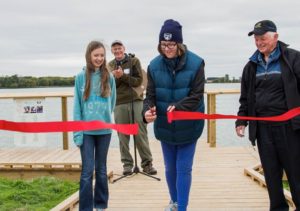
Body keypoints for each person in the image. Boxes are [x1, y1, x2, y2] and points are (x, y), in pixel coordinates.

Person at [235, 20, 300, 211]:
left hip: (290, 128)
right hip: (263, 129)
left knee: (296, 175)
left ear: (276, 37)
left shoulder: (293, 59)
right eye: (256, 39)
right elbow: (245, 98)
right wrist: (241, 119)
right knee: (271, 176)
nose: (259, 42)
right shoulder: (251, 66)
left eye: (262, 38)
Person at [143, 19, 205, 211]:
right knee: (170, 168)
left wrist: (178, 107)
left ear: (179, 43)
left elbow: (196, 96)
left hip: (188, 125)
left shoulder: (196, 63)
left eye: (171, 44)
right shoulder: (153, 65)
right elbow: (150, 96)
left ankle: (182, 207)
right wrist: (147, 110)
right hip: (165, 126)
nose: (167, 48)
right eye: (163, 44)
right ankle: (174, 202)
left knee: (183, 168)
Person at [73, 41, 116, 211]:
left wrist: (105, 118)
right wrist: (77, 133)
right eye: (96, 55)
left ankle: (101, 204)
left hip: (104, 131)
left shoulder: (109, 77)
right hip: (86, 132)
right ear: (89, 56)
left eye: (102, 55)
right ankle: (86, 208)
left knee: (102, 169)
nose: (99, 58)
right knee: (87, 171)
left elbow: (112, 102)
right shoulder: (80, 77)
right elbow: (77, 107)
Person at [108, 40, 157, 175]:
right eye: (115, 49)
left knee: (140, 132)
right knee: (122, 135)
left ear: (124, 48)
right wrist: (117, 77)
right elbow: (110, 86)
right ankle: (127, 165)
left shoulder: (134, 61)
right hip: (119, 103)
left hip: (136, 100)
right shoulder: (110, 65)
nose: (117, 51)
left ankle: (147, 164)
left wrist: (122, 75)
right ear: (112, 51)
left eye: (119, 48)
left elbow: (138, 81)